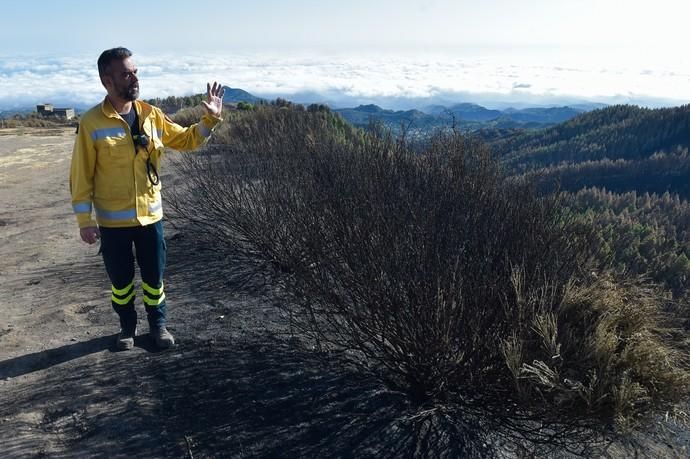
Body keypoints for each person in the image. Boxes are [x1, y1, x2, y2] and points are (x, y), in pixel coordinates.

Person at [70, 47, 224, 350]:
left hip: (150, 218)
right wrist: (84, 221)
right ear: (108, 81)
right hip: (113, 223)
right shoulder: (91, 123)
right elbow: (81, 176)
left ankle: (158, 326)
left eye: (135, 71)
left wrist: (209, 121)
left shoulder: (151, 115)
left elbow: (185, 139)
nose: (134, 78)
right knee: (121, 284)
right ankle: (127, 328)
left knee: (154, 280)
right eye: (126, 73)